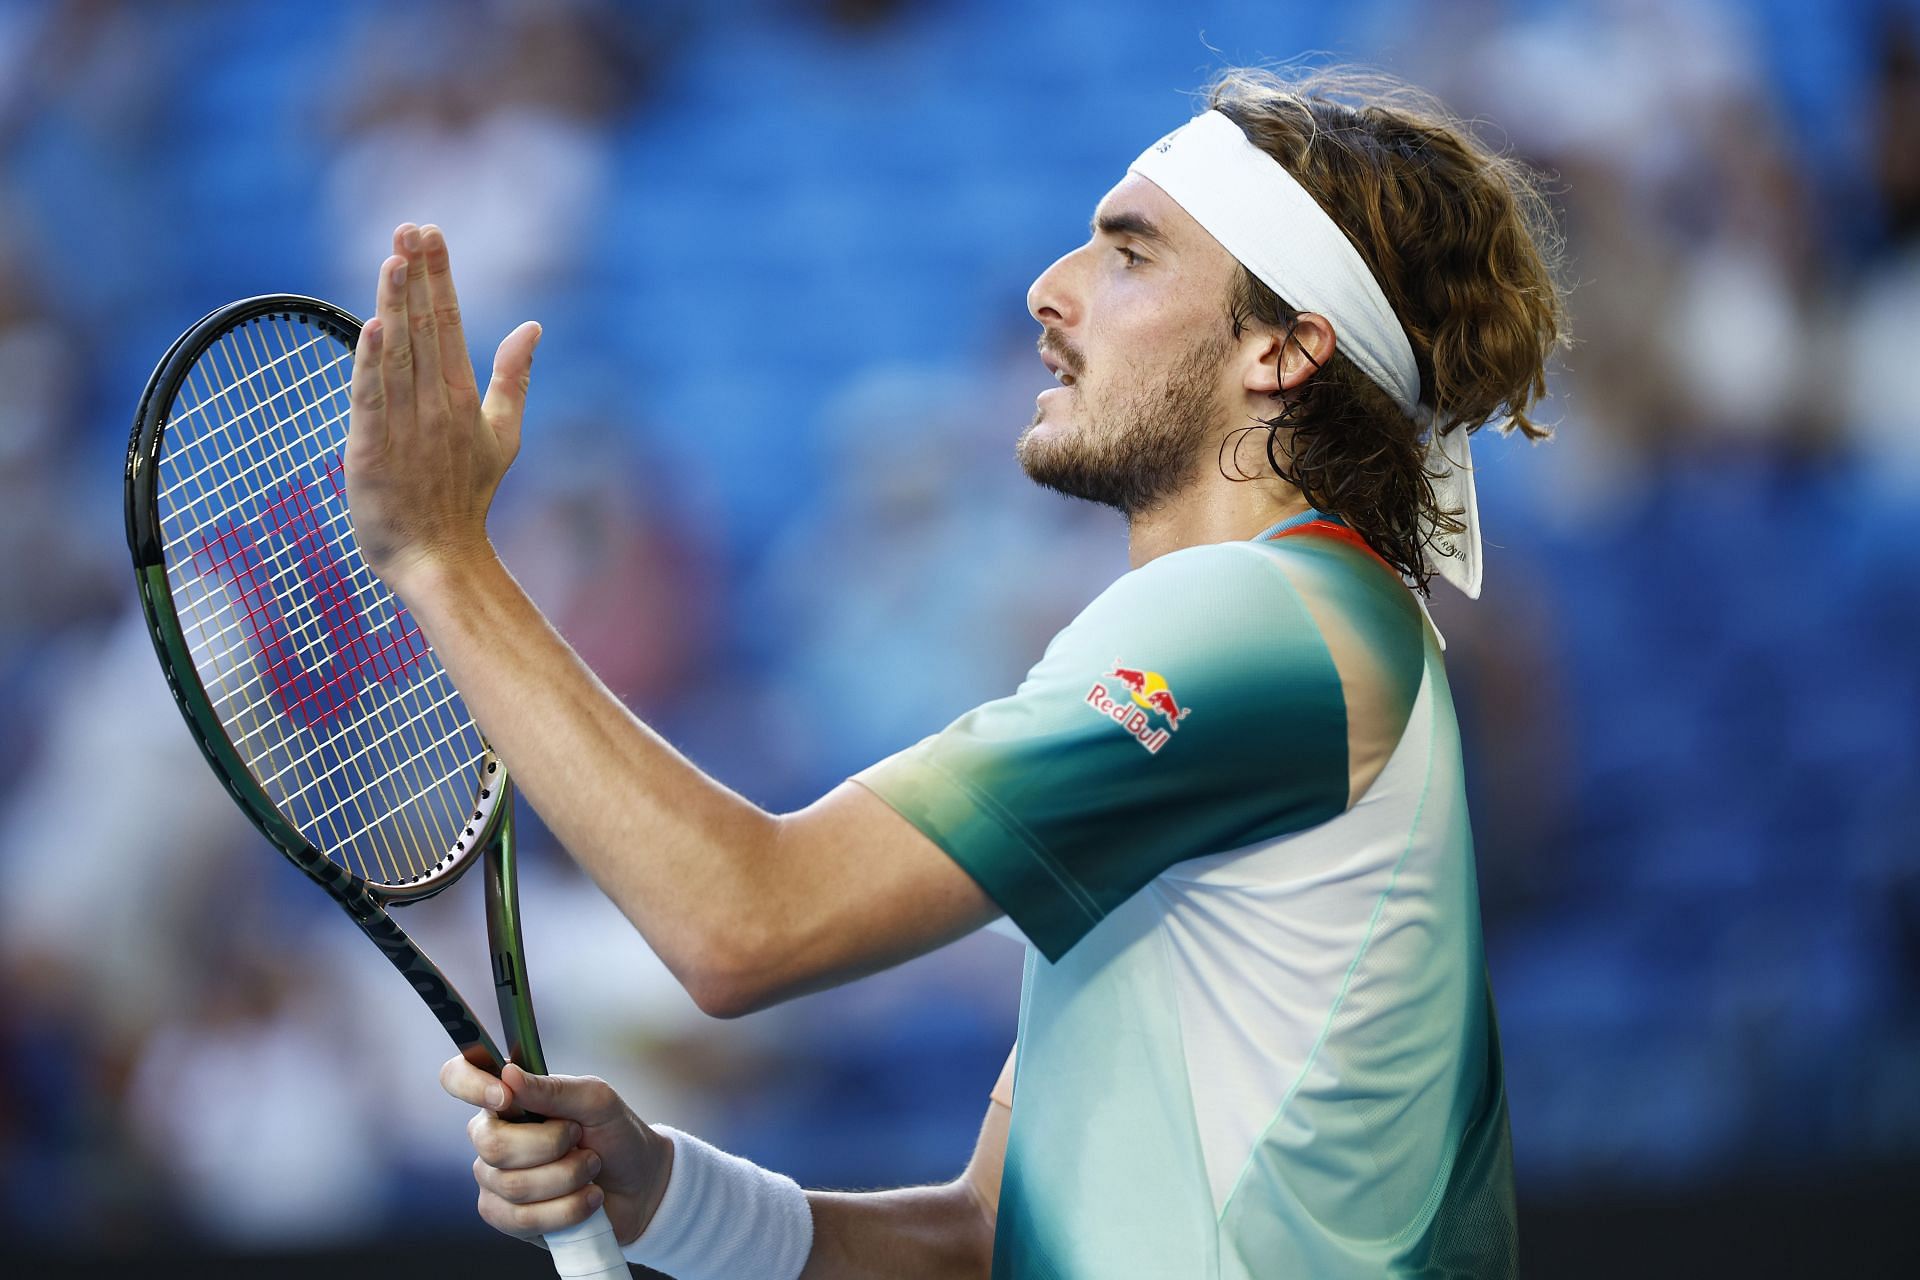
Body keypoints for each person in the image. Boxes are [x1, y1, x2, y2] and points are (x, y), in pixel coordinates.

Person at [345, 65, 1566, 1280]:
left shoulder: (1254, 619)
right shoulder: (1292, 628)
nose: (1048, 291)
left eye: (1129, 255)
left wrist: (447, 559)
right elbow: (982, 1238)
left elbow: (744, 922)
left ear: (1283, 351)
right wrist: (664, 1191)